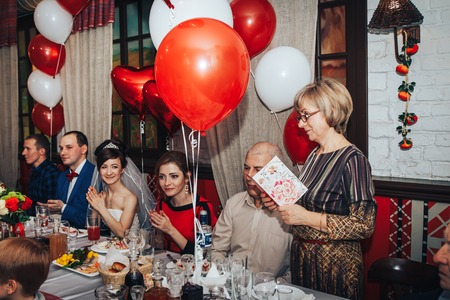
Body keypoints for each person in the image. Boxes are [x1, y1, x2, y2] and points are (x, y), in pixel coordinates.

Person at [262, 78, 376, 299]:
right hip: (304, 259)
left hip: (335, 265)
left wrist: (305, 217)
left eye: (306, 115)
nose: (301, 123)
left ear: (331, 110)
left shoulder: (353, 160)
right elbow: (307, 203)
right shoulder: (314, 155)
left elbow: (364, 225)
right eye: (300, 116)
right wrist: (282, 203)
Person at [211, 142, 292, 278]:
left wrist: (276, 287)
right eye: (246, 168)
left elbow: (296, 268)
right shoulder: (233, 203)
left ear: (276, 171)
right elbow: (217, 249)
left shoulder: (291, 212)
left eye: (258, 170)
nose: (249, 175)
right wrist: (224, 274)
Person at [149, 150, 217, 255]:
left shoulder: (201, 208)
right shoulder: (163, 204)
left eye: (174, 176)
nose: (166, 183)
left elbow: (203, 254)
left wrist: (170, 229)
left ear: (186, 177)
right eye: (162, 177)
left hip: (194, 266)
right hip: (169, 263)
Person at [86, 139, 156, 237]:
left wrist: (101, 208)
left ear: (122, 169)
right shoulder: (102, 195)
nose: (109, 172)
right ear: (99, 170)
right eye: (104, 167)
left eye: (114, 167)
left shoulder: (130, 198)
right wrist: (95, 205)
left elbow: (122, 233)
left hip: (131, 248)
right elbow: (94, 227)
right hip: (109, 247)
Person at [40, 131, 96, 229]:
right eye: (61, 148)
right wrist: (50, 209)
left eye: (69, 147)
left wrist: (63, 207)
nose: (62, 152)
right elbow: (60, 213)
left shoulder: (95, 175)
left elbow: (94, 220)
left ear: (83, 149)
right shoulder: (62, 176)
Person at [22, 134, 61, 216]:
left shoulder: (51, 172)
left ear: (42, 151)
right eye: (24, 149)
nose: (23, 153)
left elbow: (52, 209)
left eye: (28, 149)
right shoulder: (34, 170)